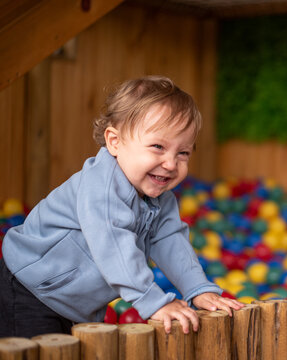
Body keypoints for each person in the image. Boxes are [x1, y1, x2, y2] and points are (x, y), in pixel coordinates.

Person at [0, 75, 243, 337]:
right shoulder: (102, 186)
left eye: (183, 153)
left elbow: (171, 242)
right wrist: (153, 302)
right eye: (158, 147)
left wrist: (199, 288)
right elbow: (113, 245)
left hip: (73, 304)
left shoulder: (161, 199)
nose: (172, 164)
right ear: (115, 142)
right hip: (30, 287)